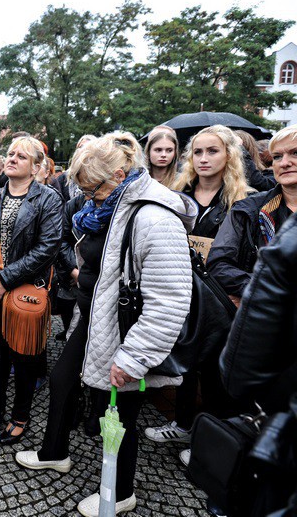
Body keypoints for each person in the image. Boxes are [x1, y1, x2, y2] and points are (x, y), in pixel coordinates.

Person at [15, 132, 196, 516]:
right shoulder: (108, 204)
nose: (85, 196)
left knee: (121, 412)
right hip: (96, 316)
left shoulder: (153, 216)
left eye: (91, 187)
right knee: (64, 378)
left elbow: (170, 301)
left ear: (118, 173)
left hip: (129, 328)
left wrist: (134, 357)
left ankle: (122, 491)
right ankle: (54, 452)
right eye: (79, 188)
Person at [141, 125, 252, 462]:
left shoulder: (243, 199)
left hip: (221, 297)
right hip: (183, 288)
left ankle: (210, 440)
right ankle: (184, 423)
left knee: (216, 369)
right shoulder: (179, 192)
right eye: (198, 152)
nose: (203, 159)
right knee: (188, 359)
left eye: (212, 151)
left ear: (229, 155)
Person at [0, 137, 63, 445]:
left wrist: (5, 279)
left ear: (36, 167)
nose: (11, 159)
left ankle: (20, 415)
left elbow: (48, 248)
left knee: (24, 357)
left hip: (24, 292)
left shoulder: (47, 199)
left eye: (20, 156)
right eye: (10, 154)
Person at [220, 211, 297, 516]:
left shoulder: (290, 237)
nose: (285, 162)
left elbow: (239, 373)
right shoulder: (253, 208)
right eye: (277, 157)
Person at [208, 124, 297, 307]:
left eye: (295, 153)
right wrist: (264, 291)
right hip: (262, 323)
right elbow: (219, 265)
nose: (284, 162)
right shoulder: (248, 209)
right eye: (277, 156)